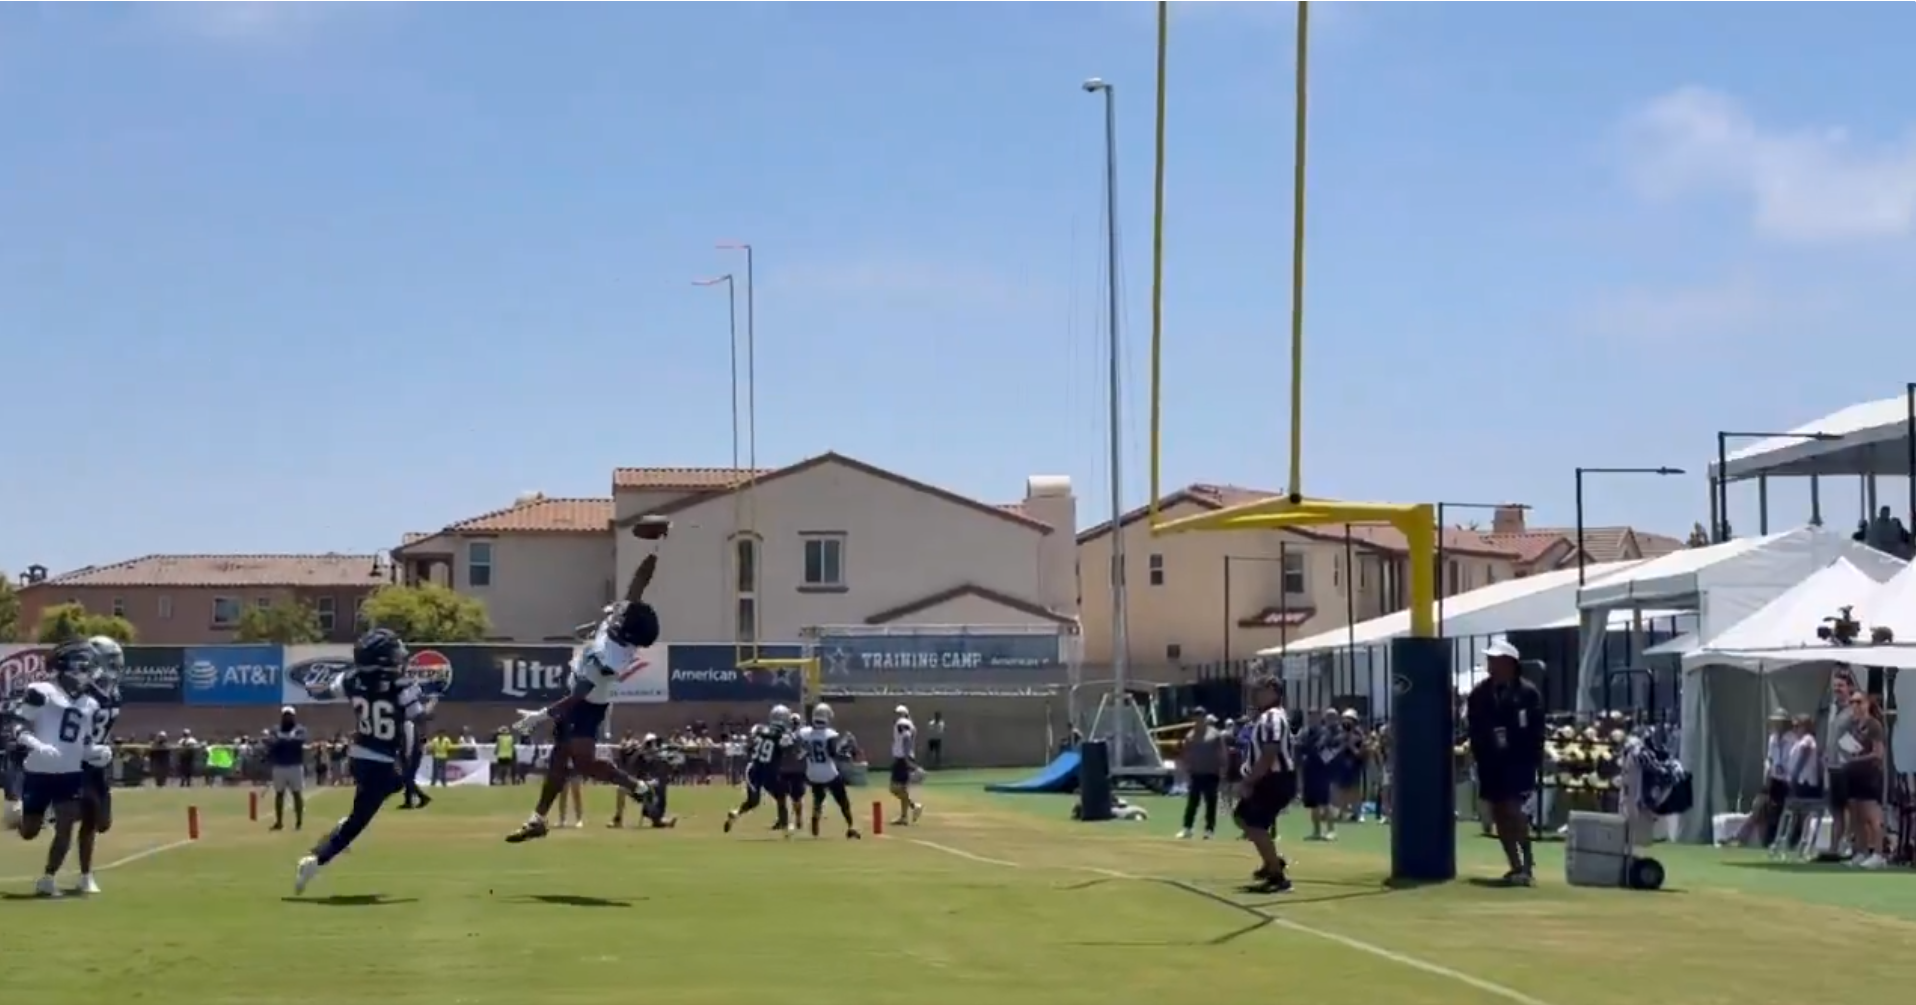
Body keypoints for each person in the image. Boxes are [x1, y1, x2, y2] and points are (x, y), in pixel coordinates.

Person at [502, 517, 667, 844]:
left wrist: (540, 716)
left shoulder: (611, 658)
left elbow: (578, 696)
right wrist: (656, 548)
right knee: (558, 761)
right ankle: (538, 819)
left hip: (587, 705)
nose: (619, 615)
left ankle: (638, 787)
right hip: (581, 696)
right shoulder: (624, 626)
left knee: (585, 763)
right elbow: (638, 584)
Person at [293, 628, 429, 895]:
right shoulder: (403, 686)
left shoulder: (352, 679)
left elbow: (324, 692)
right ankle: (314, 861)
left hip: (359, 756)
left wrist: (312, 689)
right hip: (382, 760)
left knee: (394, 785)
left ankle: (339, 834)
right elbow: (416, 719)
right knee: (359, 820)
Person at [7, 641, 112, 898]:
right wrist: (37, 745)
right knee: (30, 831)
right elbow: (18, 726)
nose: (87, 673)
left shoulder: (89, 703)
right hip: (39, 771)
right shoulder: (40, 691)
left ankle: (48, 878)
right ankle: (17, 819)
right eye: (83, 667)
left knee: (66, 824)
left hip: (69, 773)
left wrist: (95, 752)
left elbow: (83, 740)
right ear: (69, 668)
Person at [1465, 638, 1546, 886]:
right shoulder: (1479, 694)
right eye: (1490, 659)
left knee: (1514, 810)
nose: (1491, 664)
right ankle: (1515, 865)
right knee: (1499, 813)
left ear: (1510, 663)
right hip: (1490, 763)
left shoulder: (1528, 693)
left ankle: (1528, 862)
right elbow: (1474, 727)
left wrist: (1533, 758)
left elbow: (1536, 730)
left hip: (1519, 762)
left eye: (1496, 660)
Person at [1233, 674, 1296, 893]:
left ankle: (1277, 876)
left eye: (1260, 690)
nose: (1255, 694)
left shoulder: (1272, 718)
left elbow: (1270, 753)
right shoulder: (1267, 716)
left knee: (1255, 823)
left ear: (1273, 692)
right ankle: (1272, 861)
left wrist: (1250, 781)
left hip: (1274, 779)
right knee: (1242, 817)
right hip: (1269, 777)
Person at [73, 636, 125, 895]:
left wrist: (104, 747)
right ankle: (85, 876)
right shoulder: (79, 693)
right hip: (77, 762)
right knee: (91, 819)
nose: (116, 664)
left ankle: (64, 808)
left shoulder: (115, 694)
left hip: (98, 765)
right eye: (111, 659)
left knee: (104, 822)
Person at [725, 705, 797, 835]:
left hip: (754, 769)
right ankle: (786, 830)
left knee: (754, 801)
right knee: (781, 797)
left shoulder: (759, 728)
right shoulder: (783, 734)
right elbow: (789, 748)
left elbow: (751, 744)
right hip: (770, 771)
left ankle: (736, 813)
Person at [796, 703, 861, 839]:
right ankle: (851, 826)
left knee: (818, 797)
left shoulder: (805, 733)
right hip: (828, 772)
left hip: (812, 772)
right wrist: (844, 750)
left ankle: (815, 818)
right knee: (843, 800)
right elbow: (832, 754)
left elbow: (801, 752)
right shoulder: (830, 735)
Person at [1840, 692, 1888, 869]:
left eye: (1859, 702)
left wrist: (1856, 759)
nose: (1855, 705)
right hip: (1854, 775)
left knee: (1872, 816)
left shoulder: (1874, 725)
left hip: (1870, 775)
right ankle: (1861, 852)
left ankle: (1879, 854)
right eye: (1852, 702)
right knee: (1857, 816)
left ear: (1867, 704)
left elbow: (1878, 753)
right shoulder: (1854, 726)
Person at [1176, 708, 1226, 840]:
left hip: (1211, 773)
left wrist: (1223, 771)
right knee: (1192, 802)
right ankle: (1187, 828)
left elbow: (1222, 754)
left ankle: (1209, 830)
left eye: (1201, 717)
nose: (1198, 720)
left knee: (1211, 803)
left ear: (1205, 718)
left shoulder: (1215, 735)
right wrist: (1185, 770)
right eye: (1196, 717)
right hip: (1196, 773)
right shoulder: (1190, 736)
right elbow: (1186, 754)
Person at [266, 705, 309, 832]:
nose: (287, 717)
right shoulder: (276, 729)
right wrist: (287, 740)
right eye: (285, 715)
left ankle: (299, 822)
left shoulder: (300, 729)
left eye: (289, 715)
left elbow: (299, 741)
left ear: (293, 716)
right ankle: (279, 822)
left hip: (295, 766)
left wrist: (282, 740)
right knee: (279, 794)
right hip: (279, 766)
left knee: (297, 794)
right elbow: (272, 742)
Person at [888, 704, 925, 827]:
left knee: (894, 788)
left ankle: (914, 805)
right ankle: (904, 817)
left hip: (901, 759)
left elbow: (906, 737)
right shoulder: (909, 723)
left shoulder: (902, 723)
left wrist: (905, 754)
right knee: (902, 788)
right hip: (904, 758)